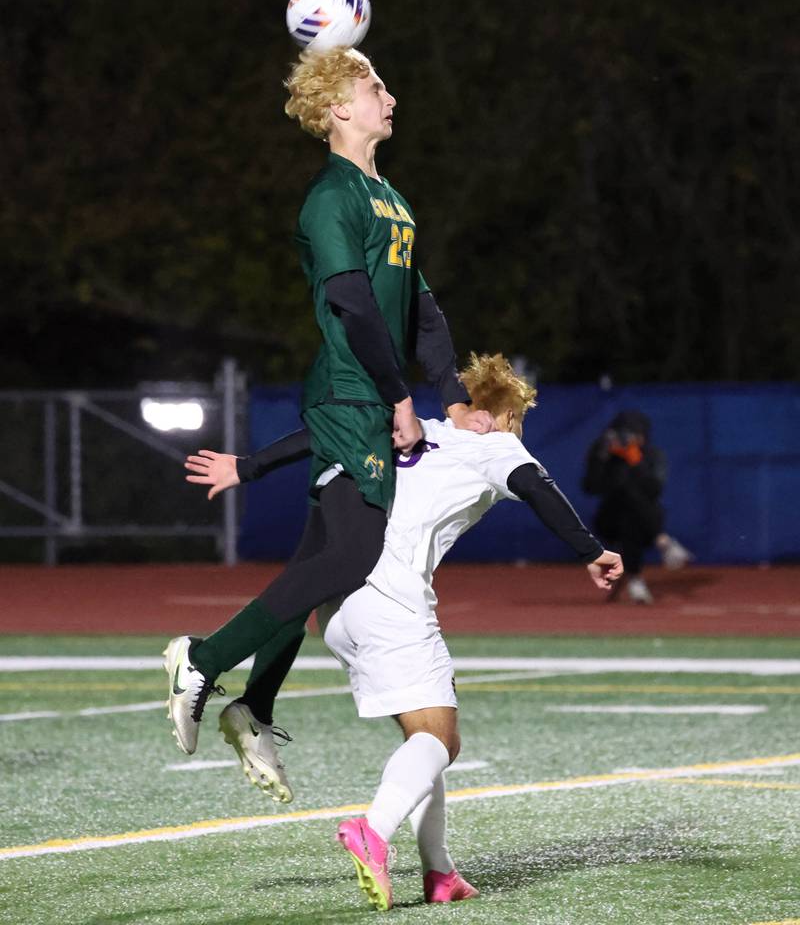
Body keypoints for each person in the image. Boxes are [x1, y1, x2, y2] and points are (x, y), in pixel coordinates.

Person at [188, 354, 623, 909]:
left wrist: (249, 467)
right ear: (506, 415)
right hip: (391, 599)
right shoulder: (496, 443)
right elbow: (534, 485)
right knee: (441, 741)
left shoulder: (417, 427)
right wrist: (591, 550)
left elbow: (324, 434)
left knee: (425, 734)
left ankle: (440, 872)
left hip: (339, 598)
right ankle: (372, 831)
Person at [163, 45, 493, 779]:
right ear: (339, 108)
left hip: (369, 396)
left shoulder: (392, 199)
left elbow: (422, 310)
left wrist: (453, 395)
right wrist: (401, 396)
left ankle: (256, 704)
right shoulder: (330, 197)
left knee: (319, 562)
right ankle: (203, 659)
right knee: (351, 556)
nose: (391, 98)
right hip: (350, 392)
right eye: (376, 86)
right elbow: (350, 301)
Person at [581, 410, 691, 604]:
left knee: (631, 519)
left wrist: (635, 460)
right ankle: (663, 541)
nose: (627, 439)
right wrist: (601, 458)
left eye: (632, 434)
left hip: (643, 523)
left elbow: (654, 490)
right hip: (610, 520)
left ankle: (635, 579)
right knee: (625, 501)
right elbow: (590, 487)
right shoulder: (604, 453)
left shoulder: (651, 455)